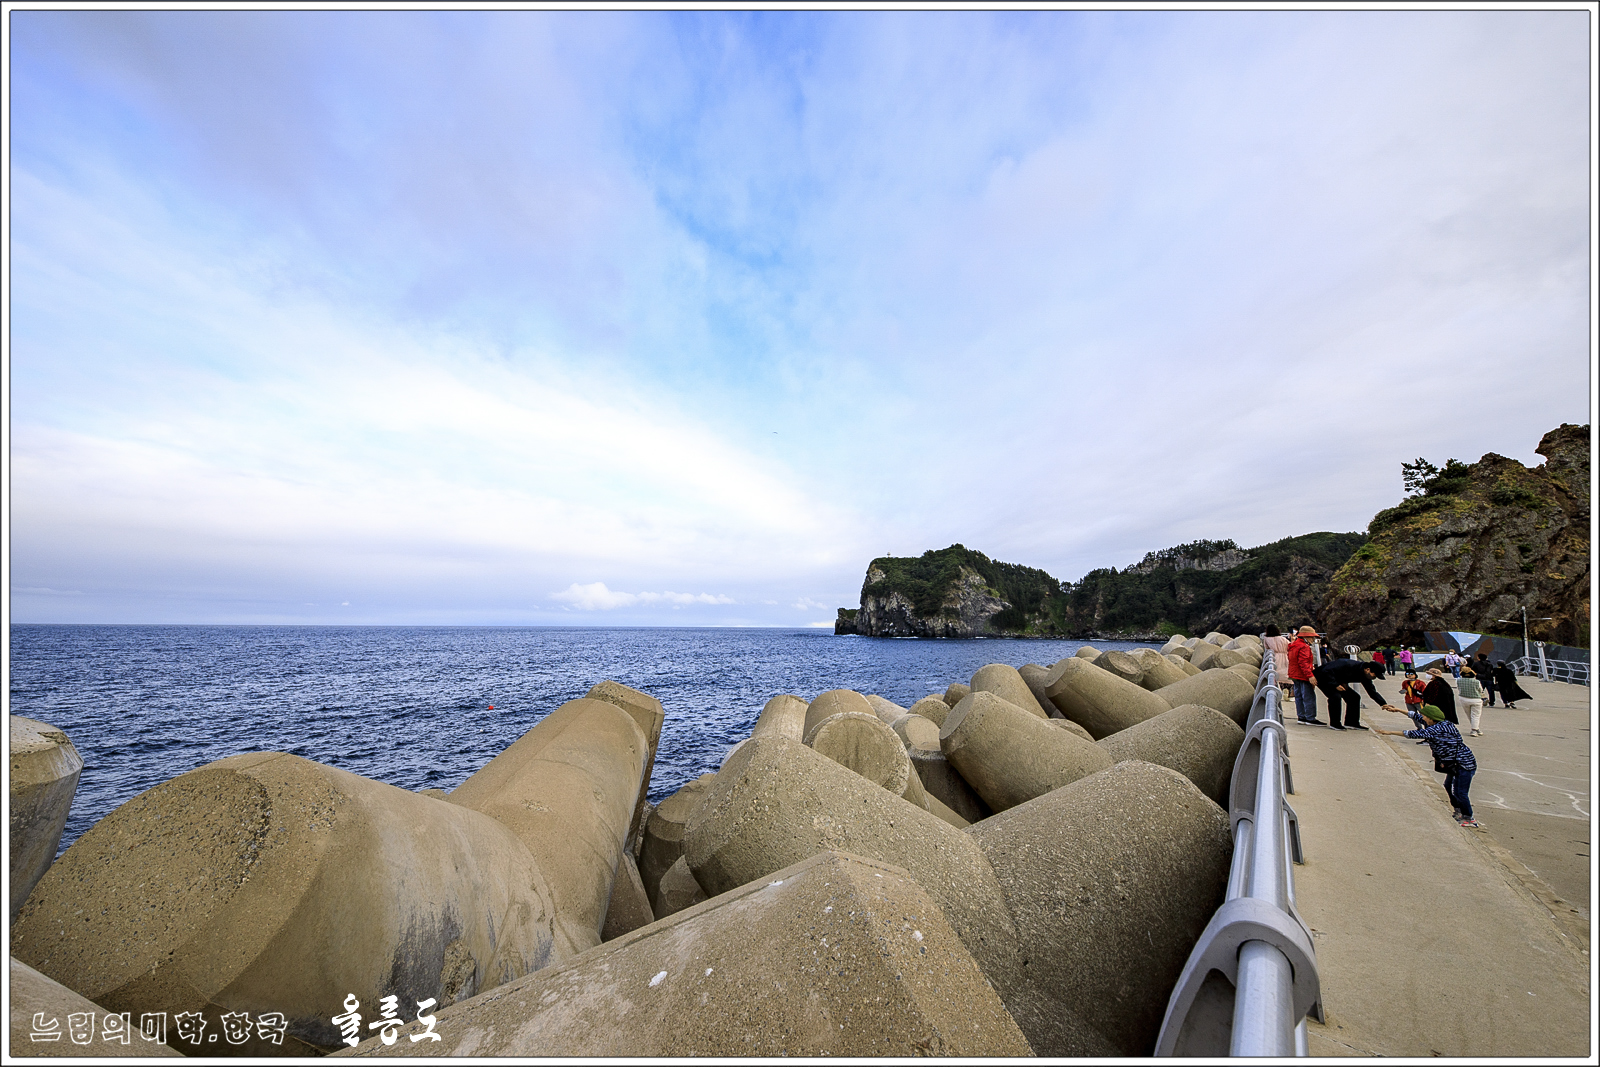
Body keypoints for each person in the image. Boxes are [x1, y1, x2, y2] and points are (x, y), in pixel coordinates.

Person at [1376, 703, 1480, 827]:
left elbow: (1413, 734)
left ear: (1431, 718)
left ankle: (1468, 817)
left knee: (1460, 792)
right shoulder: (1441, 723)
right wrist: (1397, 710)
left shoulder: (1437, 729)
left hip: (1463, 764)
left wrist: (1388, 732)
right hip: (1454, 763)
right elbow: (1416, 716)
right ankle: (1458, 809)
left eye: (1425, 716)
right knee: (1448, 785)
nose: (1423, 718)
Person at [1312, 654, 1386, 730]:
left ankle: (1351, 723)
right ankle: (1335, 724)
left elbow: (1371, 691)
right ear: (1368, 669)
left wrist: (1383, 703)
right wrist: (1335, 685)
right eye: (1375, 675)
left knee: (1354, 697)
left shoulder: (1365, 676)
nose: (1374, 677)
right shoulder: (1349, 664)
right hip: (1323, 677)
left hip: (1338, 681)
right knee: (1335, 697)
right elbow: (1326, 671)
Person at [1287, 625, 1322, 725]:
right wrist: (1310, 675)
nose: (1313, 639)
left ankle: (1301, 717)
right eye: (1311, 637)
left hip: (1294, 674)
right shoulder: (1304, 647)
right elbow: (1303, 663)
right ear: (1306, 637)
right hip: (1303, 675)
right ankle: (1310, 717)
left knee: (1299, 696)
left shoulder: (1294, 645)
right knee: (1308, 696)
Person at [1457, 667, 1486, 736]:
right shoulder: (1476, 681)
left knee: (1469, 715)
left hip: (1463, 698)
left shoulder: (1458, 680)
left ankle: (1476, 728)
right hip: (1476, 699)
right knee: (1475, 715)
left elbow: (1459, 688)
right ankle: (1474, 730)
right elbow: (1480, 690)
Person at [1263, 625, 1292, 694]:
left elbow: (1266, 649)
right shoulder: (1283, 639)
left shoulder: (1267, 639)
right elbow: (1290, 646)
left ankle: (1279, 689)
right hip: (1285, 656)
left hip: (1274, 657)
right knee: (1286, 673)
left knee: (1276, 674)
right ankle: (1287, 689)